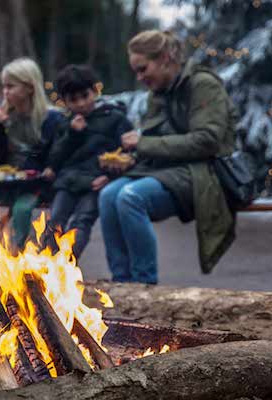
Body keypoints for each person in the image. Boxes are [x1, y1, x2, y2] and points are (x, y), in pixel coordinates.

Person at [98, 30, 237, 283]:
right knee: (108, 195)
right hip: (166, 171)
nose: (140, 78)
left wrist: (143, 143)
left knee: (131, 198)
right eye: (136, 72)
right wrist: (129, 160)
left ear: (164, 58)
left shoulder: (203, 84)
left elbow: (207, 141)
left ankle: (144, 285)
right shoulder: (158, 92)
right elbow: (153, 143)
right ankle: (121, 283)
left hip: (203, 173)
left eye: (143, 69)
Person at [41, 64, 133, 259]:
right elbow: (55, 157)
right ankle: (43, 265)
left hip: (95, 182)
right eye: (73, 100)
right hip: (68, 182)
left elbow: (128, 156)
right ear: (65, 102)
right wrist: (72, 134)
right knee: (54, 222)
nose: (81, 103)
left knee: (81, 222)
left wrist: (109, 177)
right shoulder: (65, 123)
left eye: (85, 95)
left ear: (95, 91)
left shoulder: (115, 118)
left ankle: (66, 265)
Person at [0, 57, 64, 250]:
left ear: (29, 88)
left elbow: (56, 156)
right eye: (4, 87)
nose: (5, 92)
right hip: (7, 182)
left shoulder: (52, 119)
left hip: (37, 184)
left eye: (11, 86)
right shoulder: (4, 117)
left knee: (22, 209)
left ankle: (19, 257)